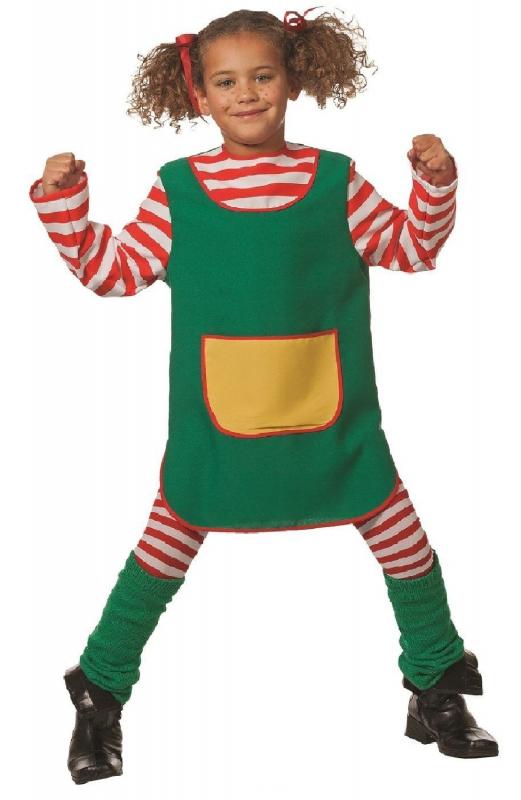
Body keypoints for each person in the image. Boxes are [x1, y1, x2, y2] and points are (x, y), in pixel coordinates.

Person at [29, 5, 499, 784]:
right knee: (161, 551)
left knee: (404, 544)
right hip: (217, 430)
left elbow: (412, 248)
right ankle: (99, 693)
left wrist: (434, 182)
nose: (245, 93)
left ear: (293, 80)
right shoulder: (178, 189)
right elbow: (113, 273)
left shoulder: (337, 180)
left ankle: (434, 686)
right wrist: (64, 203)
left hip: (334, 421)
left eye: (261, 76)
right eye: (225, 82)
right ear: (198, 95)